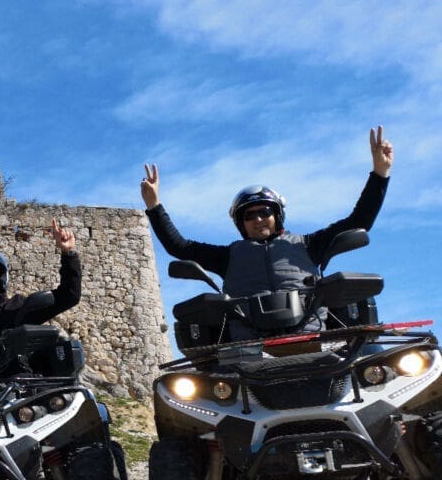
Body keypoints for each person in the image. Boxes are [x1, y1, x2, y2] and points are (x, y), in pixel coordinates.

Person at [141, 125, 393, 334]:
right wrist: (154, 206)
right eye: (249, 215)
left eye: (265, 212)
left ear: (277, 215)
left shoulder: (307, 244)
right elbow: (179, 246)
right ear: (241, 223)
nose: (259, 219)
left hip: (311, 339)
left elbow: (359, 221)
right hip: (247, 351)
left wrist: (380, 174)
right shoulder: (228, 256)